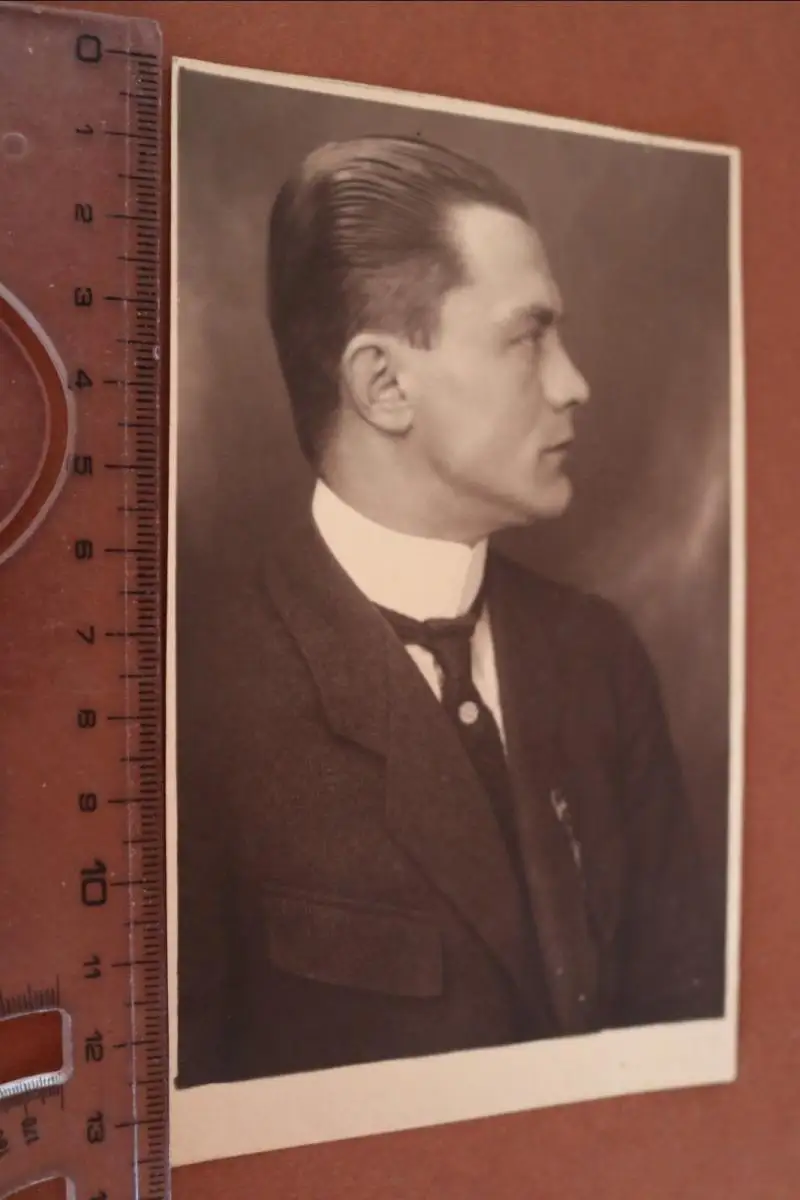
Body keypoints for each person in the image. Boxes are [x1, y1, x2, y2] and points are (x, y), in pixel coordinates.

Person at [176, 136, 724, 1088]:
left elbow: (685, 1043)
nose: (574, 383)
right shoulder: (198, 696)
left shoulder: (599, 658)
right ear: (384, 385)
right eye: (527, 337)